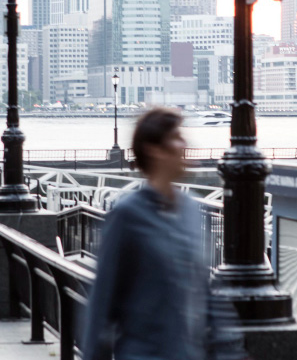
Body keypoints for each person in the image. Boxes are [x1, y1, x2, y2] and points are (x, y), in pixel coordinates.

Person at [82, 108, 210, 360]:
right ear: (155, 150)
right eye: (176, 137)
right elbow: (101, 305)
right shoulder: (127, 216)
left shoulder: (191, 210)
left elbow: (203, 294)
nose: (185, 144)